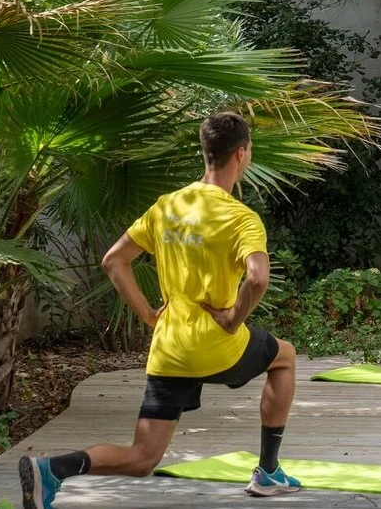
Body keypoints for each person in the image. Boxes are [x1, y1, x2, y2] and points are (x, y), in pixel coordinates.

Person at [18, 111, 302, 508]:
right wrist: (232, 319)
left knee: (142, 458)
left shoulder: (168, 205)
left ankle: (53, 469)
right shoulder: (241, 217)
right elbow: (257, 279)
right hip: (216, 344)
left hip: (169, 348)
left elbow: (114, 261)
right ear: (241, 154)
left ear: (205, 153)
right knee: (285, 358)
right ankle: (269, 473)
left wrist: (150, 316)